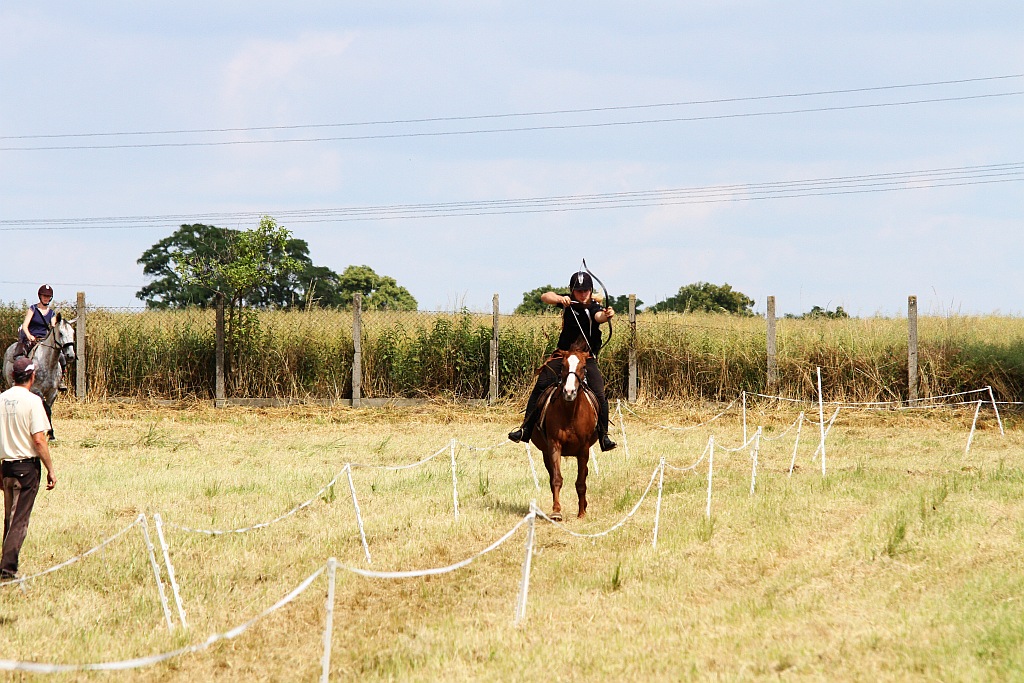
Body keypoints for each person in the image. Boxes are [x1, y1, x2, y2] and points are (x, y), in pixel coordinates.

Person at [509, 271, 617, 451]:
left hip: (585, 357)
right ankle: (525, 429)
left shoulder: (594, 307)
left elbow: (600, 317)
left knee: (599, 393)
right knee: (541, 385)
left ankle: (604, 436)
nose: (582, 294)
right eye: (578, 291)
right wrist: (560, 298)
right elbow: (545, 296)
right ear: (572, 291)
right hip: (563, 355)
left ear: (590, 291)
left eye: (586, 290)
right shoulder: (568, 302)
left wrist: (608, 315)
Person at [0, 357, 57, 580]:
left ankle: (4, 562)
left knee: (8, 518)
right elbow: (40, 440)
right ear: (32, 377)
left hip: (7, 469)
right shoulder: (33, 402)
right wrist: (50, 469)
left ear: (13, 376)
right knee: (19, 521)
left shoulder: (1, 399)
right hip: (26, 469)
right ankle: (7, 570)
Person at [17, 284, 66, 391]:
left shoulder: (51, 313)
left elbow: (53, 327)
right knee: (21, 356)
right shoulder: (33, 309)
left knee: (61, 356)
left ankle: (61, 379)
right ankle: (18, 379)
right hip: (32, 338)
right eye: (44, 296)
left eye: (48, 296)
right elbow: (25, 325)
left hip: (44, 340)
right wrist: (29, 335)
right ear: (40, 296)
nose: (46, 298)